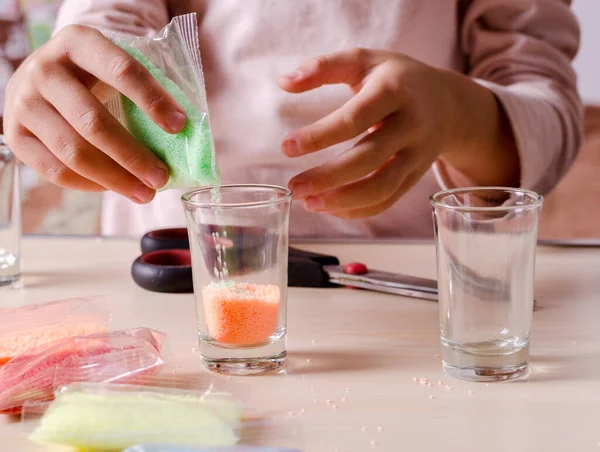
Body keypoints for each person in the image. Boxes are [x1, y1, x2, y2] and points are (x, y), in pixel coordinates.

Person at [3, 0, 583, 238]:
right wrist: (76, 65)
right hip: (183, 260)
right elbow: (112, 20)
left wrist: (458, 114)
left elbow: (546, 112)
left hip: (417, 281)